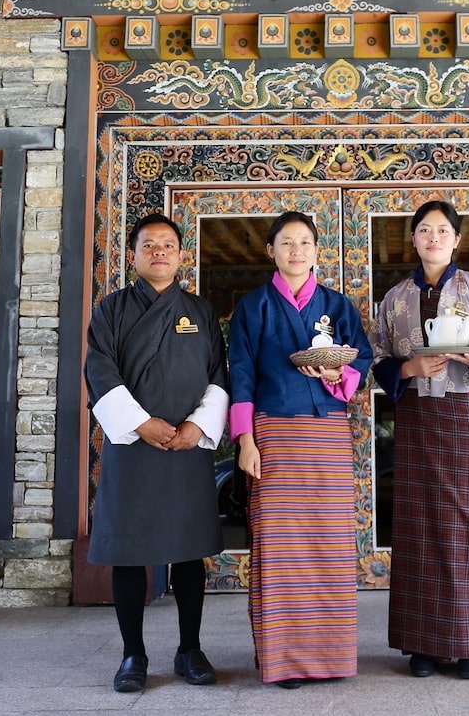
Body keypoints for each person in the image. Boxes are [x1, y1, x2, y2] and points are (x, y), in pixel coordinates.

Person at [227, 210, 374, 689]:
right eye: (286, 242)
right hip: (273, 433)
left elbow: (361, 357)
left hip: (326, 433)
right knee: (280, 548)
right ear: (271, 250)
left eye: (305, 242)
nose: (296, 250)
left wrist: (338, 376)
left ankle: (329, 658)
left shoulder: (336, 304)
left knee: (328, 544)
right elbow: (241, 375)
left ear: (317, 250)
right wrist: (245, 441)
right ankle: (285, 660)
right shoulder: (253, 306)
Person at [84, 213, 230, 694]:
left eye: (169, 244)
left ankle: (190, 648)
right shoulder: (111, 310)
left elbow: (218, 374)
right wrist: (141, 423)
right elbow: (100, 370)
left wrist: (197, 425)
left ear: (182, 254)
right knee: (130, 554)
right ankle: (133, 654)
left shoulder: (201, 311)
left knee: (189, 554)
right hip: (133, 443)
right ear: (133, 254)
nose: (160, 252)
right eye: (150, 245)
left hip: (187, 446)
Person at [367, 199, 469, 681]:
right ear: (414, 238)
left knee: (466, 526)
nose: (433, 238)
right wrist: (408, 368)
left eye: (443, 230)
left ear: (456, 239)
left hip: (464, 415)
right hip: (415, 418)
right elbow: (376, 358)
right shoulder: (395, 298)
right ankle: (421, 645)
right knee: (416, 527)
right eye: (424, 230)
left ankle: (468, 643)